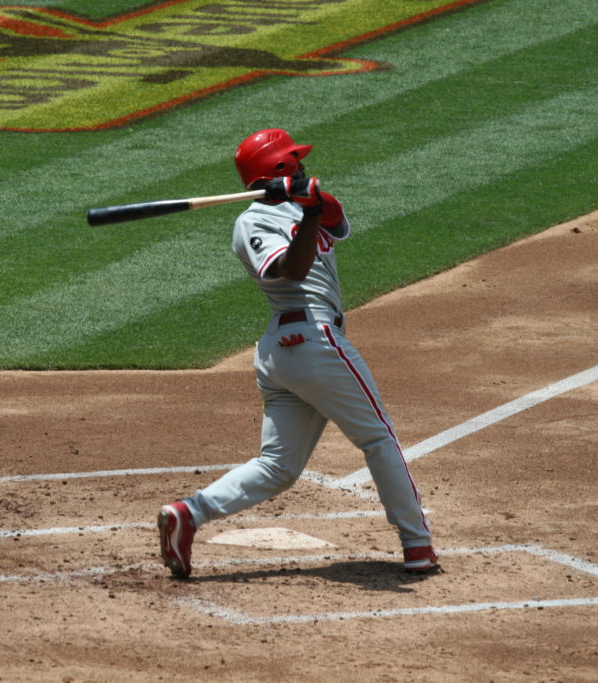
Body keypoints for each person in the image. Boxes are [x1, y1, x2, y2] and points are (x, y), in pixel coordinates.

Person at [157, 129, 438, 578]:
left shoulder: (300, 203)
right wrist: (304, 213)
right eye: (296, 162)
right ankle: (418, 544)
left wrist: (308, 201)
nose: (306, 166)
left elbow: (335, 216)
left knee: (279, 466)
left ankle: (188, 514)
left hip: (288, 353)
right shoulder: (251, 223)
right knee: (377, 438)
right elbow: (291, 268)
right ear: (281, 169)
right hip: (313, 344)